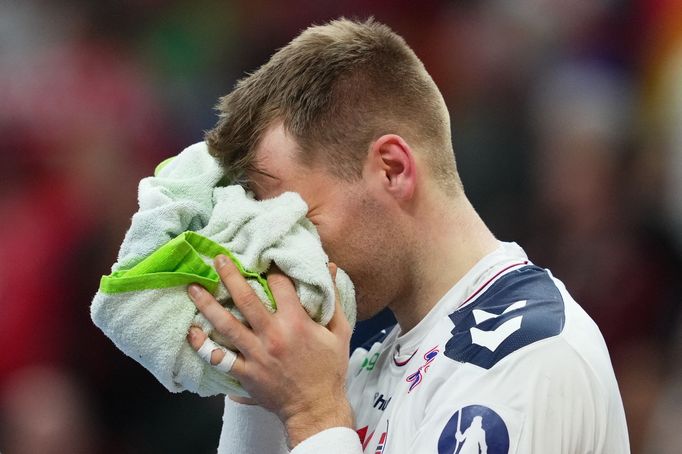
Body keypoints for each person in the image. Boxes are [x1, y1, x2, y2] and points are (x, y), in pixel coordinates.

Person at [183, 18, 630, 453]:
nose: (283, 260)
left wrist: (311, 415)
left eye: (299, 222)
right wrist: (255, 395)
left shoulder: (529, 357)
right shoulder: (365, 365)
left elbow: (318, 421)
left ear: (392, 169)